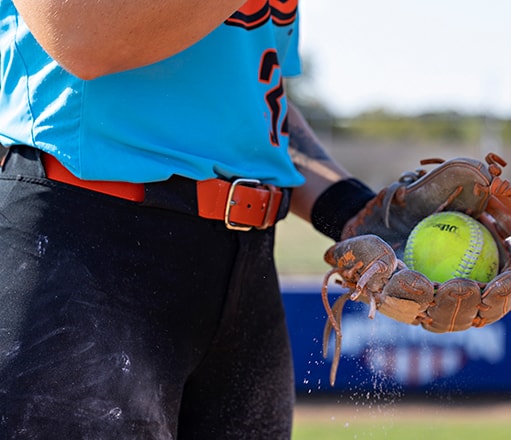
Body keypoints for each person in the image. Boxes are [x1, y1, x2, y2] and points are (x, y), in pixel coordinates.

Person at [0, 1, 375, 438]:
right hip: (88, 239)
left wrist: (355, 211)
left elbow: (254, 104)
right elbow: (82, 37)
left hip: (246, 264)